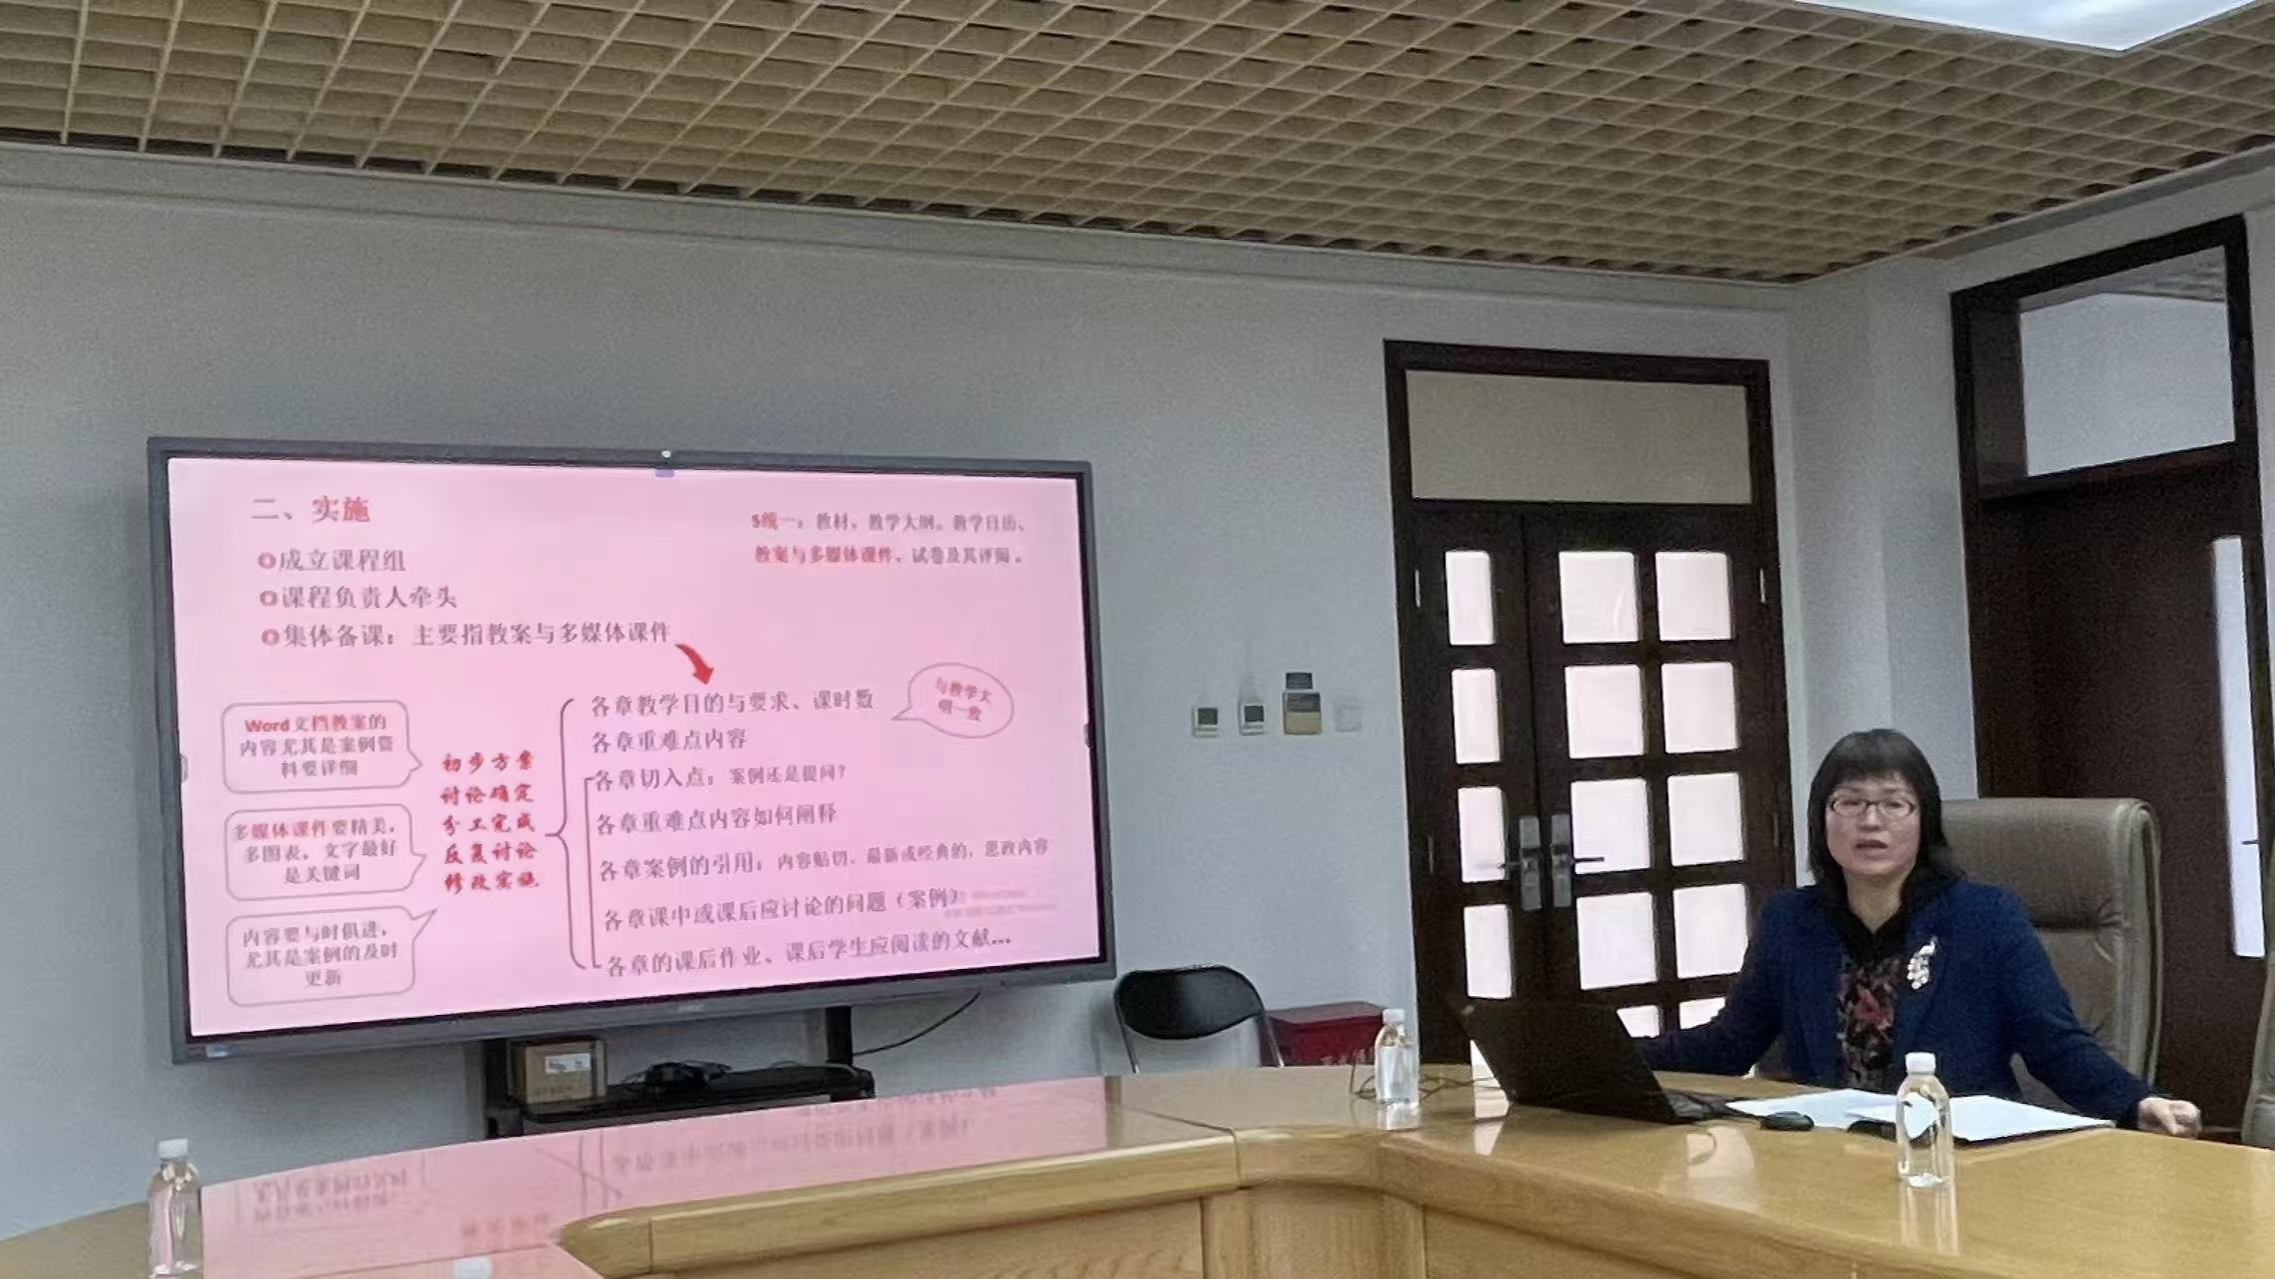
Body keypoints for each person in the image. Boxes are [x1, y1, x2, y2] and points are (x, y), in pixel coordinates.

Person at [1641, 728, 2201, 1137]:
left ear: (1923, 821)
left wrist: (2137, 1102)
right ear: (1822, 819)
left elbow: (2055, 1045)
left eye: (1894, 804)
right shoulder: (1791, 921)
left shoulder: (1985, 918)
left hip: (1960, 1164)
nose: (1870, 821)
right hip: (1827, 1161)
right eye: (1850, 803)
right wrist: (1617, 1061)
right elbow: (1728, 1045)